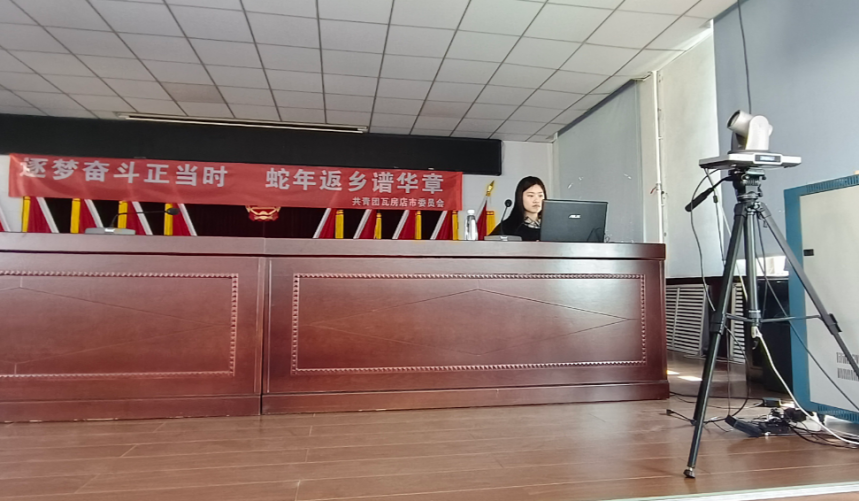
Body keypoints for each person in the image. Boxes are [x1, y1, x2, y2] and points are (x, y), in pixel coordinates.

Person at [489, 176, 546, 241]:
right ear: (520, 197)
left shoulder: (551, 226)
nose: (537, 200)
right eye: (531, 195)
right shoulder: (508, 226)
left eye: (540, 195)